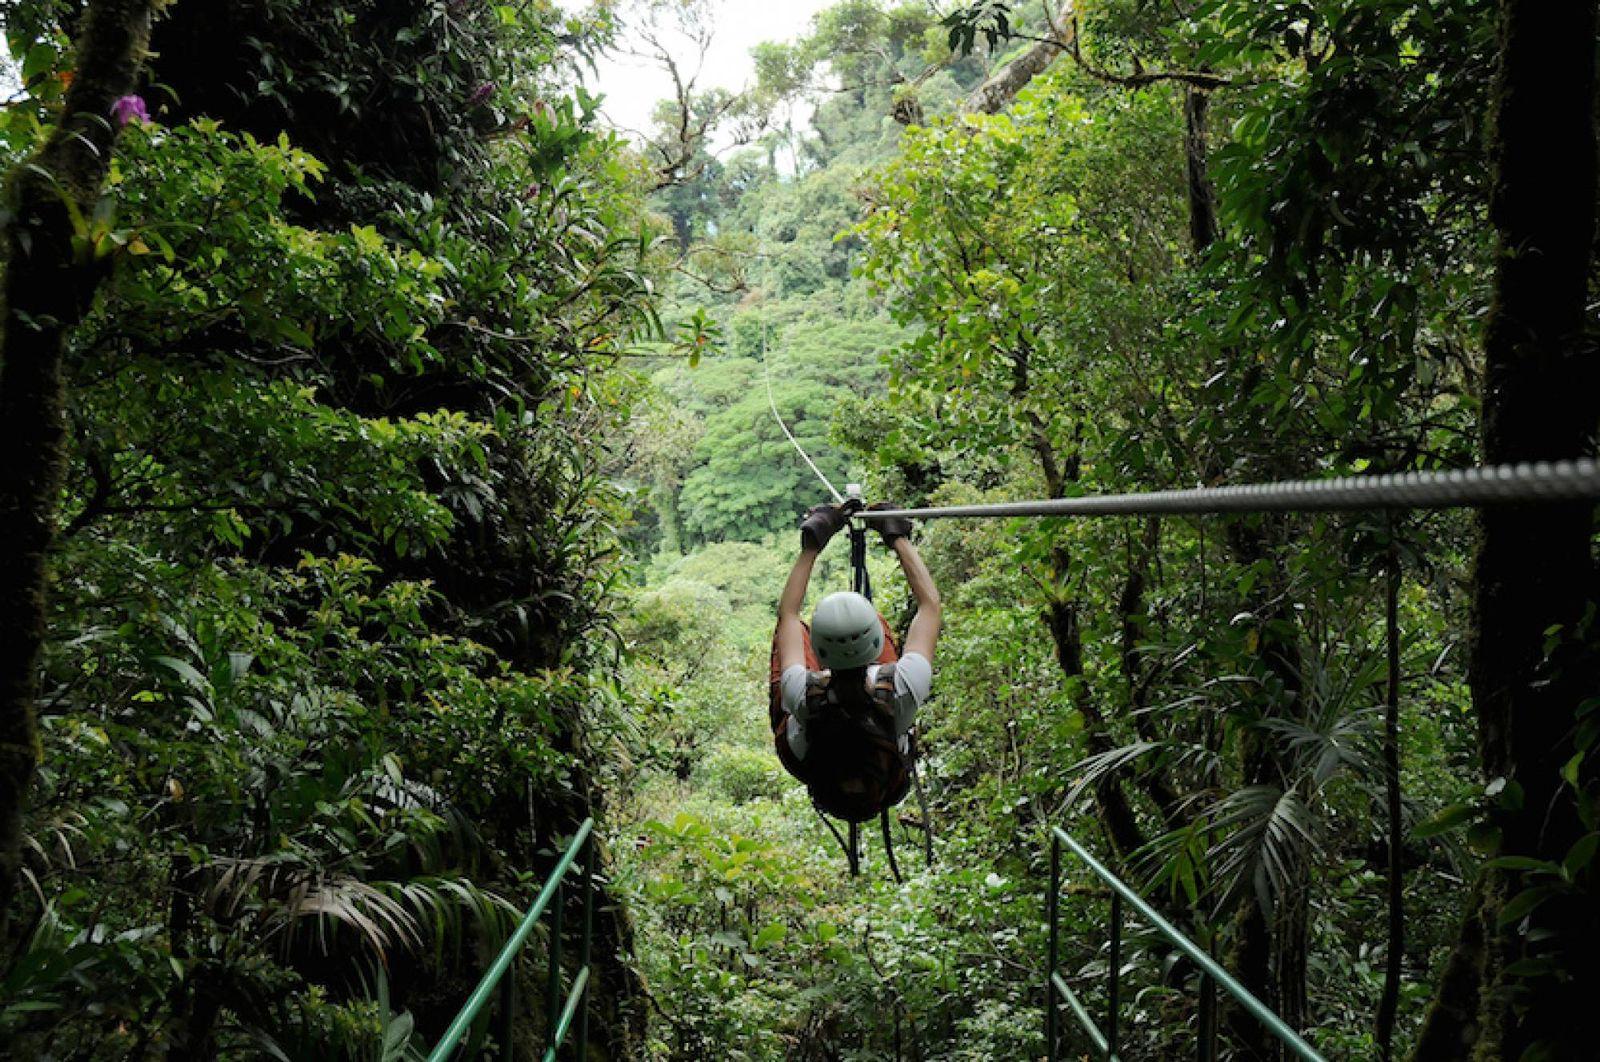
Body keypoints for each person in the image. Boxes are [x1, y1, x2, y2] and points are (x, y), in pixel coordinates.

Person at [768, 500, 942, 823]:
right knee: (873, 619)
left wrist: (812, 545)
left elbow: (789, 616)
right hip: (882, 759)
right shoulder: (902, 686)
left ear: (819, 655)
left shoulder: (801, 691)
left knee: (790, 635)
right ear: (871, 645)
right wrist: (897, 535)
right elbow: (929, 606)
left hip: (812, 756)